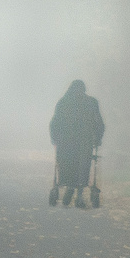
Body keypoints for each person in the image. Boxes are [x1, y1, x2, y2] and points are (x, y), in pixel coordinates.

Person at [50, 79, 105, 208]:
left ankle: (71, 189)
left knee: (69, 165)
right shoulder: (91, 103)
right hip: (83, 140)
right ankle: (77, 192)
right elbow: (99, 123)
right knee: (82, 167)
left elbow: (55, 122)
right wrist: (98, 138)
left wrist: (54, 137)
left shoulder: (63, 102)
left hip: (67, 141)